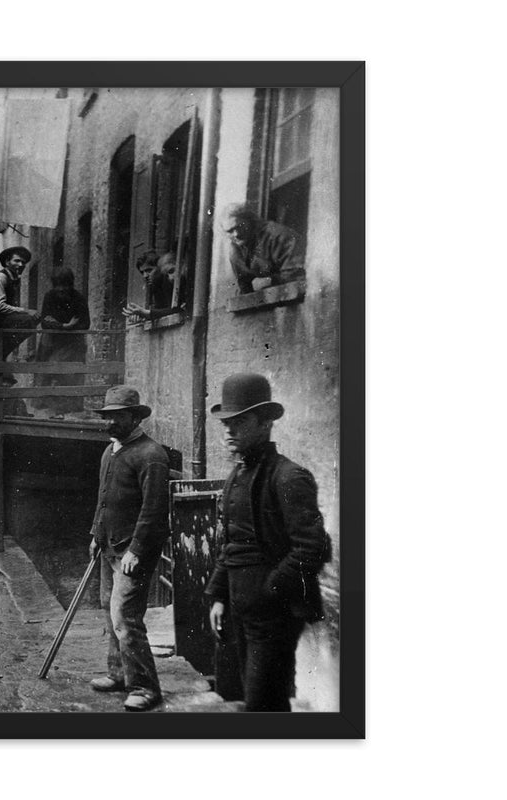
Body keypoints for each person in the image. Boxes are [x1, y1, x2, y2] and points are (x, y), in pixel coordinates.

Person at [205, 373, 332, 711]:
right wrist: (219, 595)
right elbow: (231, 543)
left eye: (240, 421)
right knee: (252, 699)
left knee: (265, 704)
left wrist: (270, 590)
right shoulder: (238, 475)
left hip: (273, 615)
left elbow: (314, 547)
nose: (229, 430)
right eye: (226, 423)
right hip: (240, 610)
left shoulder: (288, 477)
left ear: (265, 424)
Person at [88, 386, 170, 712]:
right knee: (111, 611)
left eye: (116, 417)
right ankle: (119, 674)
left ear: (135, 417)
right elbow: (103, 499)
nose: (109, 424)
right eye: (106, 417)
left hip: (133, 553)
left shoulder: (151, 455)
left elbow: (153, 511)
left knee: (126, 618)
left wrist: (136, 549)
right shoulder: (111, 452)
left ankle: (145, 688)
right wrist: (96, 534)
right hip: (110, 546)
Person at [34, 267, 90, 417]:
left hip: (72, 344)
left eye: (65, 287)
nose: (61, 291)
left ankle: (69, 410)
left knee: (69, 376)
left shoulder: (79, 298)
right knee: (48, 372)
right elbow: (45, 321)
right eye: (58, 287)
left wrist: (71, 328)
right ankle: (47, 410)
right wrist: (64, 326)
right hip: (51, 343)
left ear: (70, 285)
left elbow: (85, 323)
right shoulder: (49, 297)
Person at [219, 204, 301, 294]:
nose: (236, 234)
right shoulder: (235, 250)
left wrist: (268, 281)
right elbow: (244, 286)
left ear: (250, 221)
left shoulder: (278, 237)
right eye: (230, 231)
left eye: (239, 227)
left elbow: (294, 276)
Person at [122, 251, 184, 323]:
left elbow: (177, 309)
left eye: (149, 270)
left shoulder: (169, 281)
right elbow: (160, 310)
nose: (145, 276)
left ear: (159, 268)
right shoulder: (155, 285)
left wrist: (146, 312)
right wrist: (142, 315)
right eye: (142, 272)